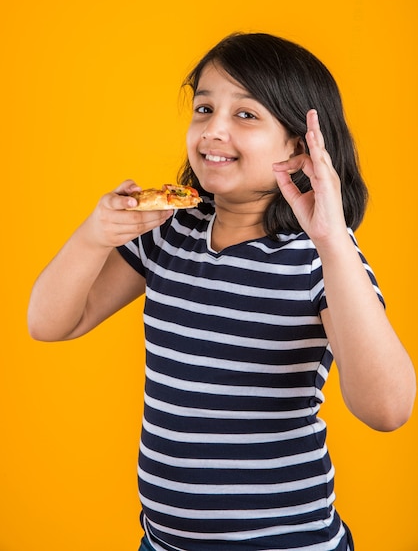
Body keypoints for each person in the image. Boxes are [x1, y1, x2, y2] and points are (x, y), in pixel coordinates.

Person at [28, 32, 416, 551]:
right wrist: (93, 235)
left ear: (300, 146)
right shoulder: (170, 233)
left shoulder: (322, 258)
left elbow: (386, 410)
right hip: (165, 542)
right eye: (204, 107)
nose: (213, 130)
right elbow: (52, 323)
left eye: (245, 115)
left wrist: (331, 239)